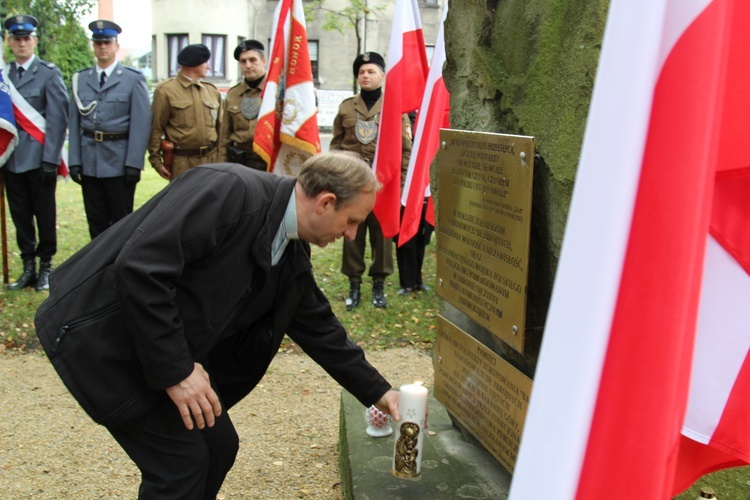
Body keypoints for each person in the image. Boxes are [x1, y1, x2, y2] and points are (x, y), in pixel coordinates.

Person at [35, 151, 401, 499]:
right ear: (324, 203)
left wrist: (380, 393)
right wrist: (178, 372)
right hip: (100, 337)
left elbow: (319, 329)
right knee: (180, 466)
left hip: (157, 348)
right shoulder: (229, 190)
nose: (352, 234)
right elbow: (140, 267)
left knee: (219, 446)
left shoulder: (290, 248)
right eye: (352, 221)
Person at [330, 52, 412, 310]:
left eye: (371, 71)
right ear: (358, 75)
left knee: (382, 235)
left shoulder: (393, 108)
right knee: (352, 233)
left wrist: (400, 183)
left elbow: (404, 149)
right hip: (352, 183)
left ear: (383, 76)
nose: (366, 76)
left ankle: (379, 284)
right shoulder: (346, 107)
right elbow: (336, 146)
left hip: (383, 186)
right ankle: (354, 284)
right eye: (362, 71)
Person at [68, 20, 152, 239]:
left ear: (116, 45)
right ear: (93, 46)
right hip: (89, 161)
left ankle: (118, 268)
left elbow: (141, 124)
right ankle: (96, 270)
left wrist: (134, 163)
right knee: (95, 220)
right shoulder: (81, 79)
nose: (102, 47)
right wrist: (75, 160)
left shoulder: (133, 80)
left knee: (121, 222)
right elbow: (75, 121)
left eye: (107, 42)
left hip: (119, 162)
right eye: (98, 43)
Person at [2, 15, 68, 292]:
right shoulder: (3, 76)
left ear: (35, 41)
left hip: (40, 157)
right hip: (12, 159)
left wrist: (51, 159)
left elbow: (57, 119)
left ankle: (45, 267)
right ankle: (28, 266)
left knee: (44, 214)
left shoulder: (48, 73)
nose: (21, 43)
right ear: (9, 41)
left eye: (26, 38)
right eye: (16, 38)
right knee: (20, 215)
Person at [147, 43, 221, 181]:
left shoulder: (211, 90)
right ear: (194, 64)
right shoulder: (166, 91)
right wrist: (156, 162)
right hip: (182, 163)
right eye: (205, 62)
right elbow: (155, 128)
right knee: (184, 201)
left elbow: (221, 129)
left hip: (212, 161)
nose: (209, 66)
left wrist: (222, 159)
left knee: (213, 202)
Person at [218, 39, 268, 171]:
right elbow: (225, 136)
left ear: (263, 61)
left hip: (269, 162)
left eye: (253, 60)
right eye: (243, 61)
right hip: (240, 162)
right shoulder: (233, 94)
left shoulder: (276, 91)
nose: (248, 65)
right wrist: (222, 166)